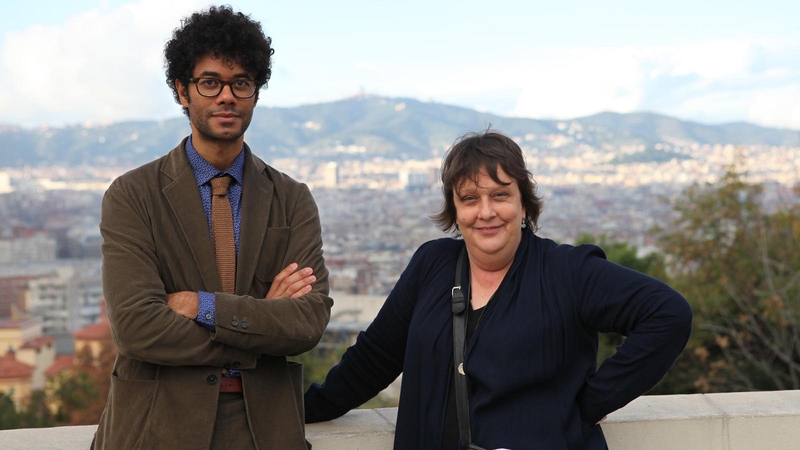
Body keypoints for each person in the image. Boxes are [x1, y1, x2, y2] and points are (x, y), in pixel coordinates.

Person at [304, 129, 692, 449]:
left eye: (500, 195)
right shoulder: (432, 265)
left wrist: (589, 401)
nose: (485, 212)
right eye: (470, 199)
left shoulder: (565, 271)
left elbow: (667, 314)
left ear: (524, 204)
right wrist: (299, 408)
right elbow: (374, 359)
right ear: (455, 210)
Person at [94, 6, 332, 450]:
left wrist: (202, 306)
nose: (227, 96)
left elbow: (307, 322)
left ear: (256, 93)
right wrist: (259, 325)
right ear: (182, 91)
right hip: (156, 428)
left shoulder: (292, 198)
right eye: (210, 82)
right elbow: (136, 327)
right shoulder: (132, 195)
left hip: (266, 431)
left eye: (241, 82)